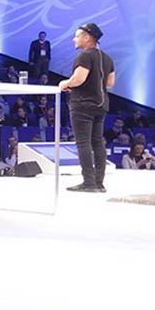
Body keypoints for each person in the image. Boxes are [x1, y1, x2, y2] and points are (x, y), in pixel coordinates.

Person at [59, 22, 116, 193]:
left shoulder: (84, 57)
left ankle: (88, 182)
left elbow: (79, 79)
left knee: (83, 143)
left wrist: (65, 83)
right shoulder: (107, 58)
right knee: (97, 142)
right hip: (101, 104)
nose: (73, 39)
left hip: (83, 104)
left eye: (77, 36)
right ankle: (99, 182)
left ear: (87, 37)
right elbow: (110, 83)